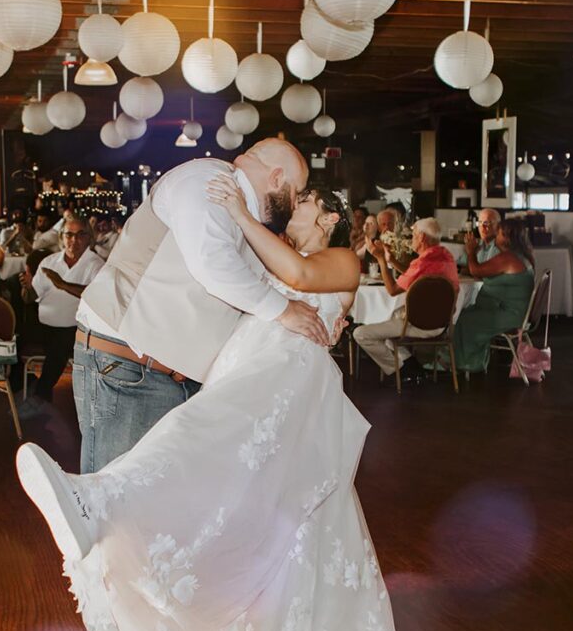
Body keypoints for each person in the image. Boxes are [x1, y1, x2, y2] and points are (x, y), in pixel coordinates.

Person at [16, 176, 421, 631]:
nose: (289, 210)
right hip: (246, 375)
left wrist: (239, 212)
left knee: (194, 445)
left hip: (285, 381)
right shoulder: (278, 261)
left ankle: (99, 499)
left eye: (301, 202)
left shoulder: (340, 260)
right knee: (251, 507)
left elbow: (299, 276)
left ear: (328, 216)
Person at [74, 138, 330, 474]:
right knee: (113, 503)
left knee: (151, 507)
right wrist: (284, 311)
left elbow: (248, 298)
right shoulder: (207, 180)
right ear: (277, 178)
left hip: (168, 378)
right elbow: (213, 264)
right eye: (297, 193)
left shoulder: (246, 219)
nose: (295, 204)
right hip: (129, 367)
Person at [353, 217, 459, 384]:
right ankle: (413, 366)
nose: (412, 240)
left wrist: (380, 259)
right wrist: (391, 260)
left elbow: (393, 290)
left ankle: (401, 371)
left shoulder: (422, 262)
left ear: (422, 237)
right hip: (442, 324)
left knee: (360, 334)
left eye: (414, 235)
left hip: (419, 325)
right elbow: (415, 276)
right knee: (390, 322)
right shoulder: (446, 257)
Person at [20, 217, 103, 411]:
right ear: (62, 237)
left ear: (89, 238)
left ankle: (41, 395)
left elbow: (96, 295)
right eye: (69, 234)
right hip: (44, 325)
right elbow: (29, 298)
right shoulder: (49, 262)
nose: (74, 240)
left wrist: (62, 284)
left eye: (80, 234)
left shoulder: (96, 264)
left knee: (62, 341)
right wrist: (25, 287)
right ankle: (27, 383)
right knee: (11, 340)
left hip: (76, 329)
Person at [452, 218, 535, 373]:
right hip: (517, 313)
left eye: (499, 234)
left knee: (463, 318)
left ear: (508, 237)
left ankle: (467, 363)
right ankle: (469, 359)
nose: (496, 236)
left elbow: (476, 270)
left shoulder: (508, 258)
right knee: (467, 312)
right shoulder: (523, 255)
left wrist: (471, 252)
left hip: (508, 315)